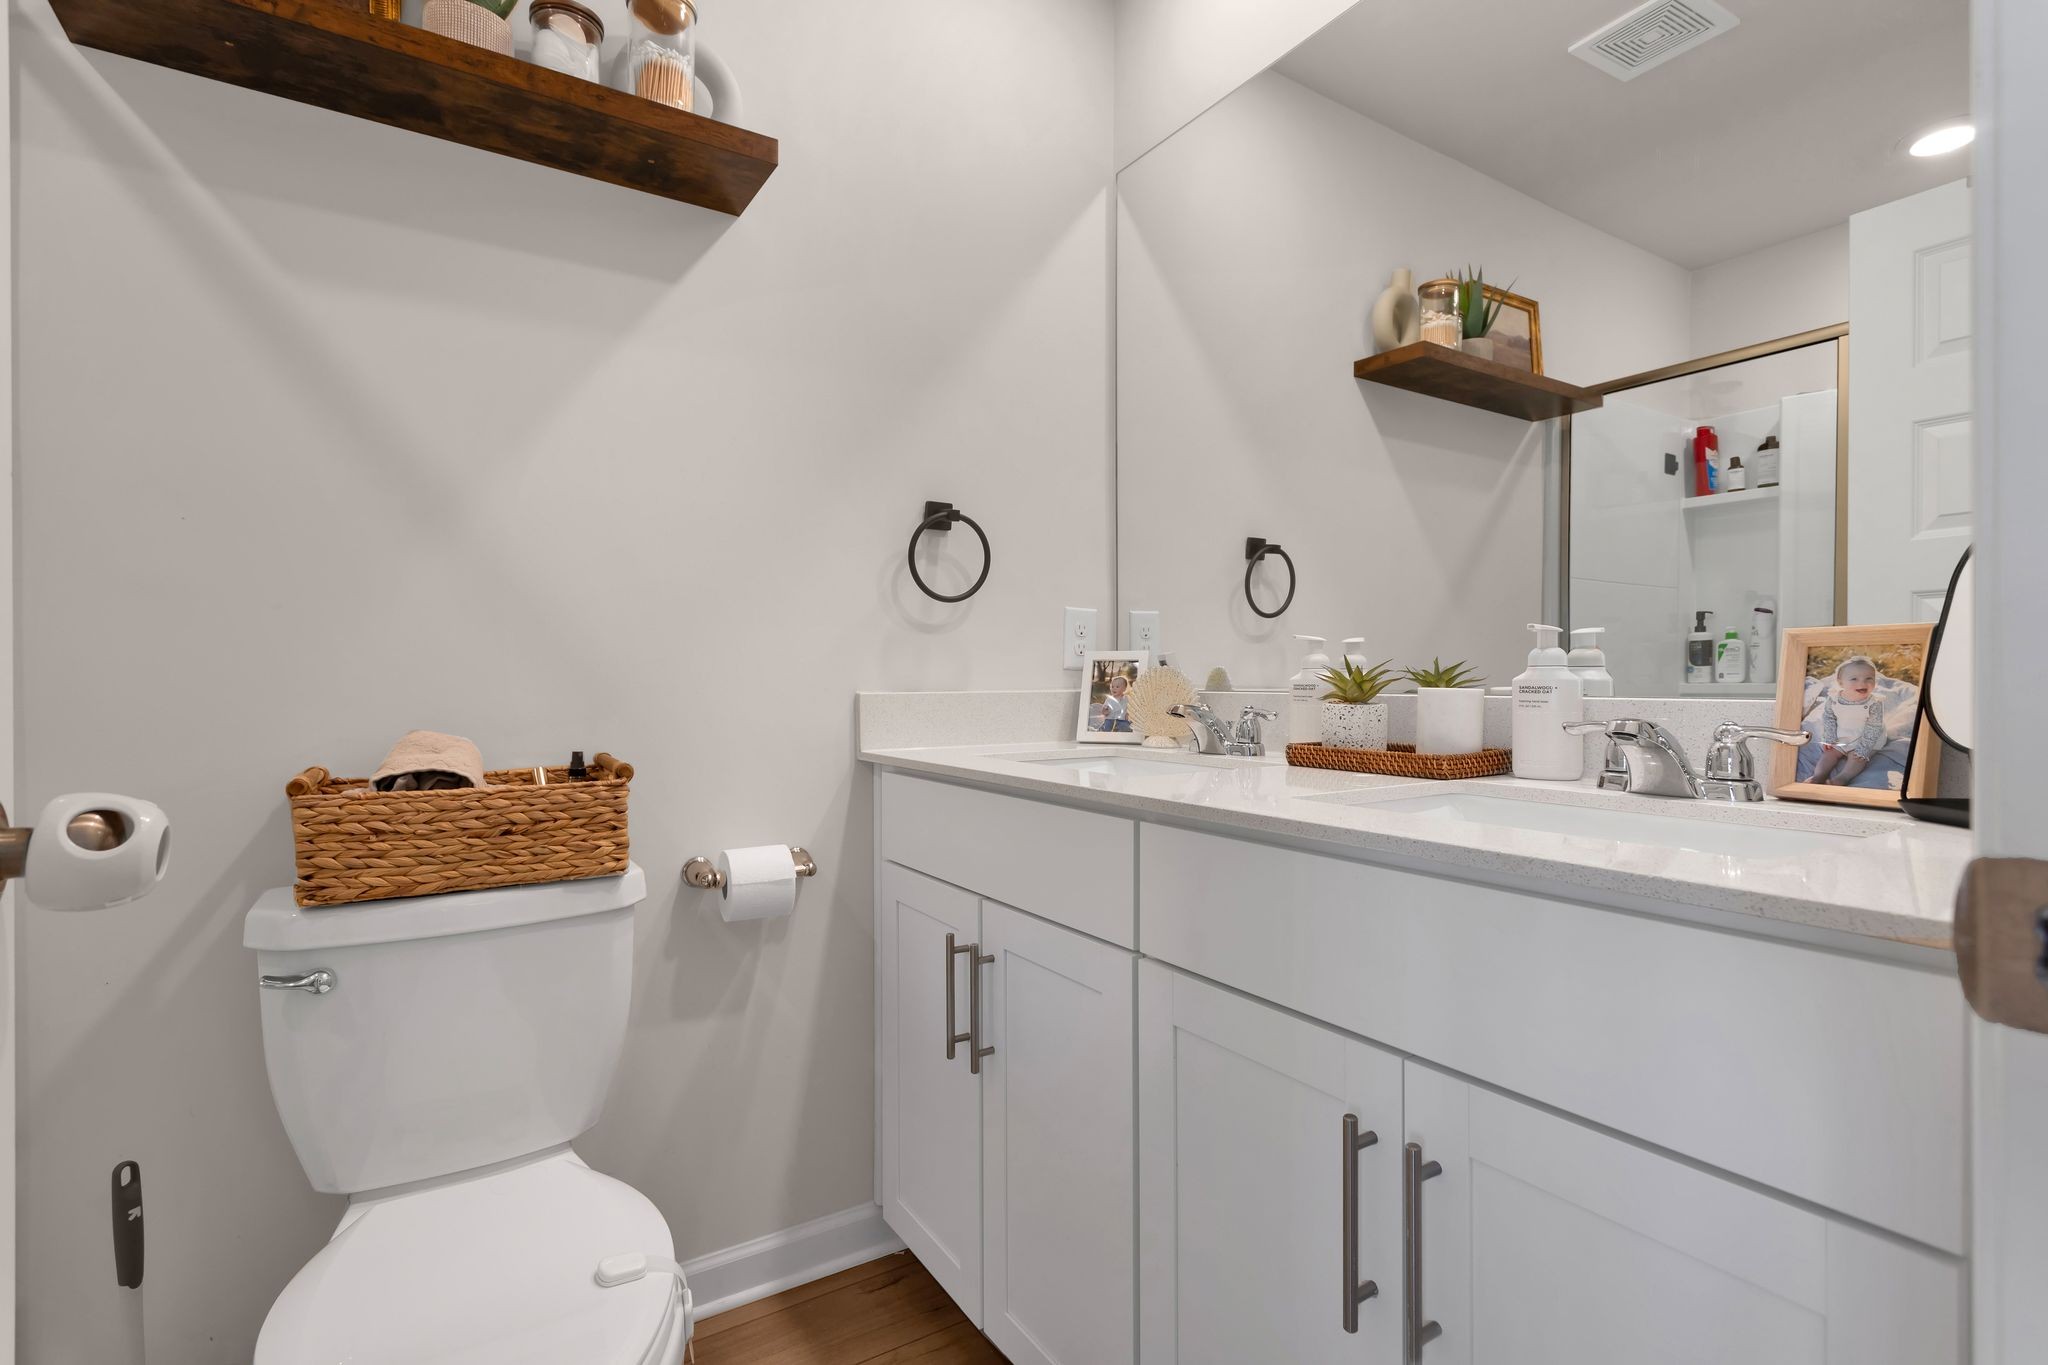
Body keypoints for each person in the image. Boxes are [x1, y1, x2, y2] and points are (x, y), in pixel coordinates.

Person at [1809, 656, 1888, 786]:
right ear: (1841, 683)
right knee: (1829, 754)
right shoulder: (1834, 699)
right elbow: (1829, 717)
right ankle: (1818, 777)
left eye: (1869, 678)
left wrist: (1863, 748)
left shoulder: (1874, 703)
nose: (1862, 683)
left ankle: (1842, 778)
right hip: (1843, 735)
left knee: (1857, 758)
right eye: (1854, 679)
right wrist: (1830, 736)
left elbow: (1874, 726)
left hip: (1866, 738)